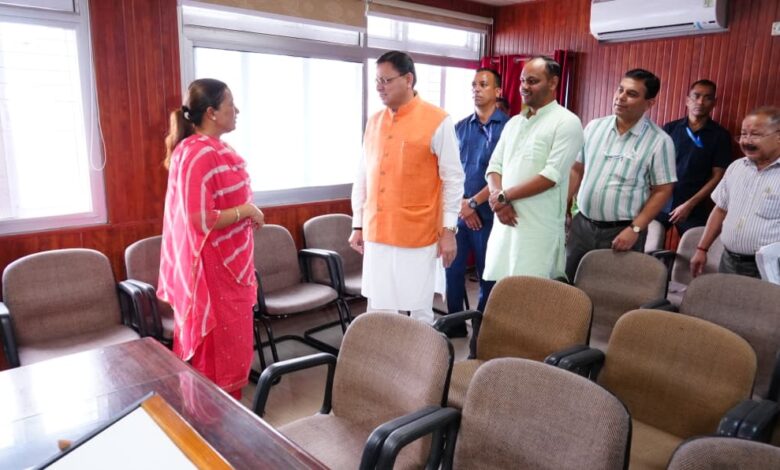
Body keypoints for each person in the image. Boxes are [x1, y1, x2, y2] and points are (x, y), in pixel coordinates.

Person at [158, 79, 265, 399]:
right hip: (212, 270)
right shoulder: (196, 154)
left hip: (232, 267)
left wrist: (245, 212)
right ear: (211, 113)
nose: (237, 111)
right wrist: (247, 210)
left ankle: (228, 414)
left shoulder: (217, 149)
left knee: (235, 345)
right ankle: (210, 417)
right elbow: (199, 218)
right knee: (216, 350)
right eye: (230, 105)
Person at [349, 51, 464, 325]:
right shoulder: (374, 121)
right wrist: (358, 224)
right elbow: (363, 174)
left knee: (418, 307)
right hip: (377, 231)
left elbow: (453, 179)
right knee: (379, 305)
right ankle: (383, 350)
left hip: (417, 231)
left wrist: (449, 231)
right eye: (377, 81)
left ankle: (421, 352)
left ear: (408, 79)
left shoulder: (437, 120)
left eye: (386, 80)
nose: (380, 87)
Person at [566, 69, 676, 281]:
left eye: (631, 94)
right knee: (568, 284)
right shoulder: (594, 127)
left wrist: (635, 229)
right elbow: (576, 169)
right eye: (620, 90)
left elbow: (663, 190)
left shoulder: (659, 141)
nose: (621, 97)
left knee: (611, 291)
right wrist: (564, 206)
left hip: (622, 231)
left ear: (649, 103)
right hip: (582, 225)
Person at [482, 56, 583, 281]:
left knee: (531, 293)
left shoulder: (567, 122)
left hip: (537, 231)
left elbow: (551, 176)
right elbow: (494, 166)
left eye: (533, 81)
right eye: (522, 80)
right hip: (505, 223)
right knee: (502, 289)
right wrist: (499, 199)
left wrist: (503, 197)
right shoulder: (514, 123)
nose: (524, 87)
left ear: (553, 83)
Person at [443, 68, 509, 337]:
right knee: (452, 270)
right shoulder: (459, 127)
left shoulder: (509, 128)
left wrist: (473, 203)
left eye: (483, 84)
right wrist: (463, 205)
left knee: (488, 274)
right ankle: (454, 325)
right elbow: (448, 171)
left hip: (491, 213)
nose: (477, 89)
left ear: (498, 91)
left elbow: (505, 173)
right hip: (459, 212)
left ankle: (483, 328)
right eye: (474, 85)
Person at [691, 106, 780, 279]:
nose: (746, 141)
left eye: (755, 134)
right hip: (728, 262)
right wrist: (702, 249)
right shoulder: (736, 167)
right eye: (743, 134)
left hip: (768, 268)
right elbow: (720, 210)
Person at [657, 80, 731, 234]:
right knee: (646, 242)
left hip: (693, 205)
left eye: (707, 98)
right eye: (696, 96)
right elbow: (655, 164)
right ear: (687, 100)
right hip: (661, 200)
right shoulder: (670, 128)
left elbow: (718, 176)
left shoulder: (720, 135)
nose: (700, 102)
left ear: (714, 103)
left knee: (694, 245)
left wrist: (690, 204)